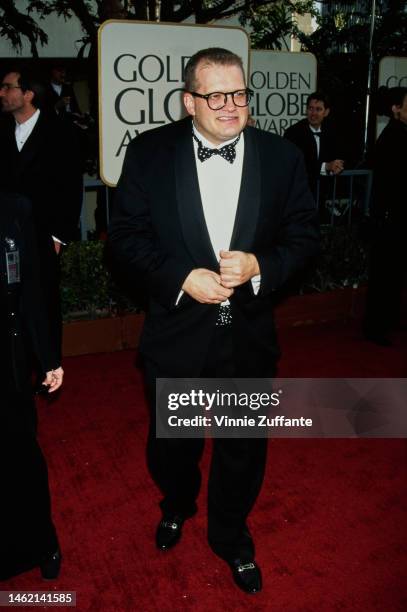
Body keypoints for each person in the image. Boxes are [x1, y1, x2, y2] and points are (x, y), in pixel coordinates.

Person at [108, 48, 319, 594]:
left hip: (248, 337)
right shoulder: (150, 153)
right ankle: (177, 503)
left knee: (243, 447)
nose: (231, 106)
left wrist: (261, 266)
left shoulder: (282, 156)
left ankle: (230, 535)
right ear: (188, 101)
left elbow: (303, 236)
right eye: (215, 95)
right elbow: (126, 242)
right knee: (172, 446)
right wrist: (181, 278)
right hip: (176, 337)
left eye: (240, 94)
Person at [0, 192, 63, 581]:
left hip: (9, 355)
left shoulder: (15, 208)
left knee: (20, 451)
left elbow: (33, 291)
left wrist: (48, 355)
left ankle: (43, 541)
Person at [0, 66, 83, 361]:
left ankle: (48, 366)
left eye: (8, 87)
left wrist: (59, 234)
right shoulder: (2, 130)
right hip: (5, 234)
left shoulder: (60, 131)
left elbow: (71, 186)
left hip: (43, 233)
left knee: (44, 302)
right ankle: (16, 368)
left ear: (28, 94)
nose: (2, 93)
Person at [363, 86, 407, 346]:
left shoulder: (399, 134)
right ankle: (375, 327)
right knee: (384, 275)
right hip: (390, 220)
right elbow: (394, 183)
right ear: (396, 109)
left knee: (393, 273)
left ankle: (386, 321)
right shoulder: (393, 138)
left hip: (395, 219)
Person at [284, 91, 345, 200]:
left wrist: (338, 164)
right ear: (306, 110)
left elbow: (341, 154)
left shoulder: (332, 131)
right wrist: (326, 166)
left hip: (324, 194)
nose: (313, 113)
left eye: (318, 109)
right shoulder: (293, 133)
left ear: (326, 112)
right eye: (310, 108)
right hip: (298, 194)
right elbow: (296, 164)